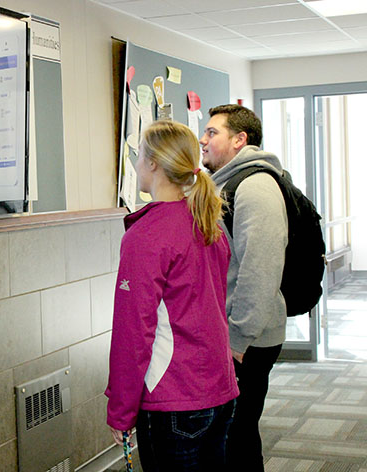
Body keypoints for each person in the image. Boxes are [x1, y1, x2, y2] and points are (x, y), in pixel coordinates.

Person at [106, 120, 239, 471]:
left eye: (140, 158)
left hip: (175, 401)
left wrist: (121, 410)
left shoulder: (147, 235)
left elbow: (133, 332)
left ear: (153, 163)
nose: (136, 167)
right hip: (220, 391)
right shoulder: (207, 221)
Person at [199, 104, 288, 471]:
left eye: (212, 133)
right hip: (234, 334)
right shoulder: (224, 184)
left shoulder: (255, 187)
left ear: (239, 140)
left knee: (237, 438)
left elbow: (261, 270)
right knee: (232, 436)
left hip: (248, 339)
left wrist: (237, 340)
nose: (202, 140)